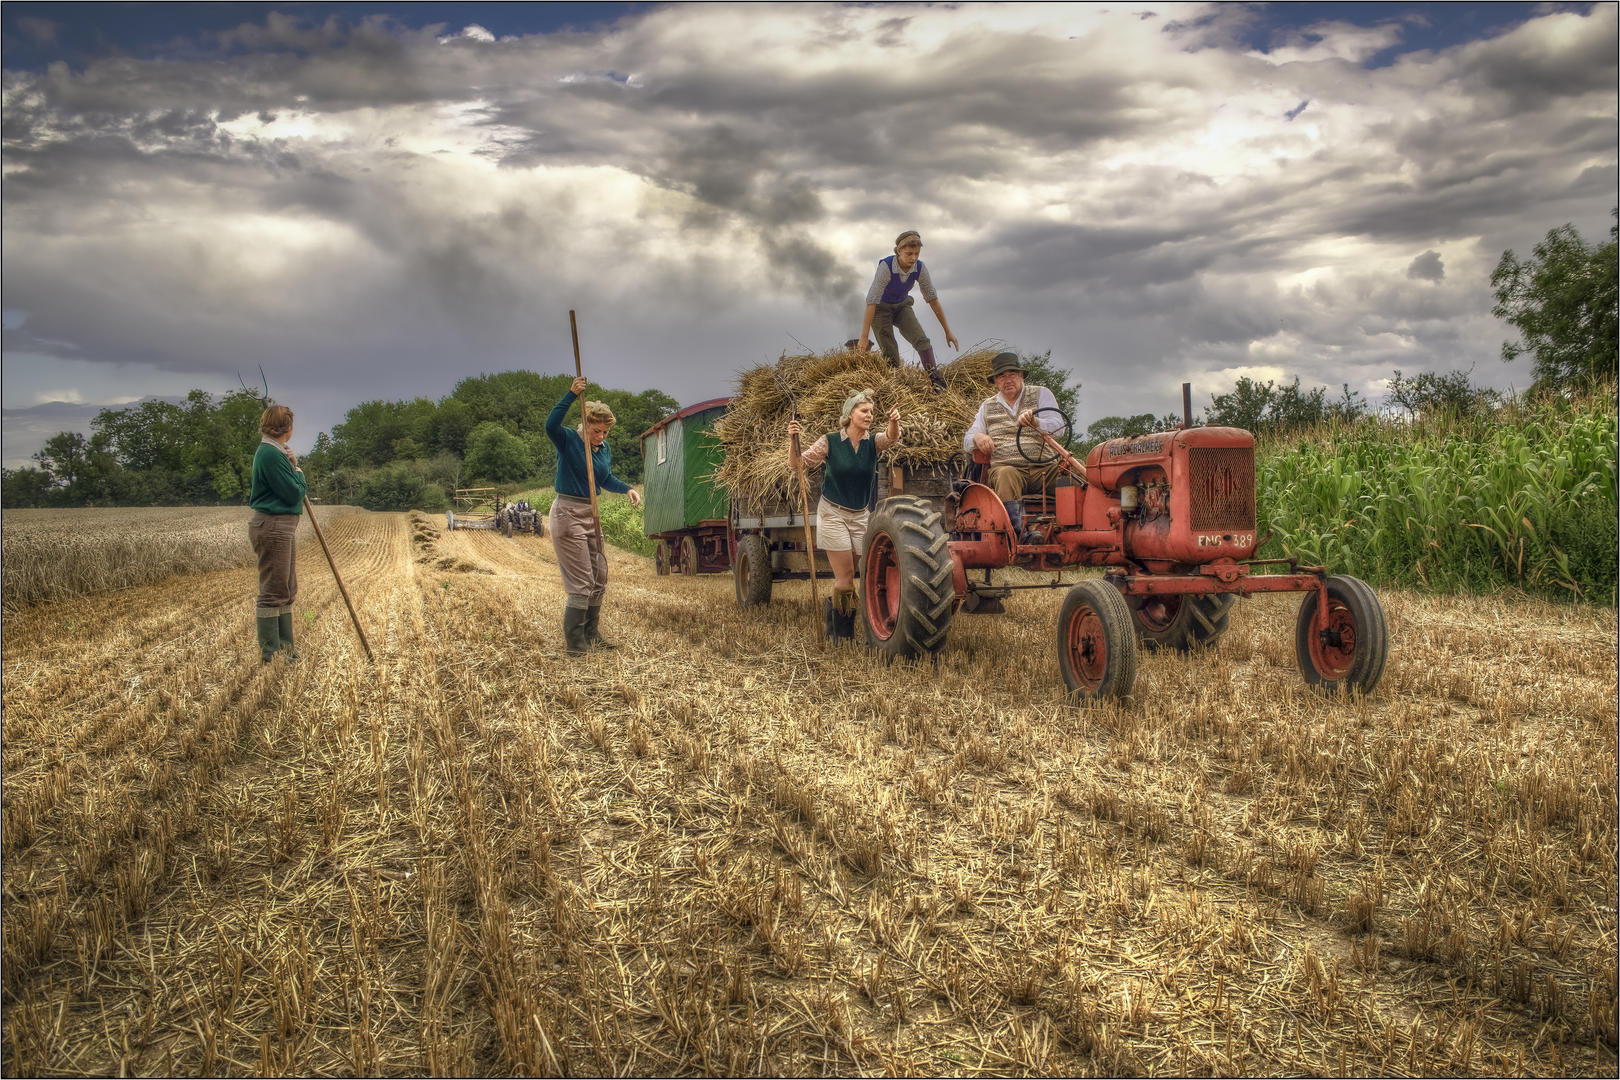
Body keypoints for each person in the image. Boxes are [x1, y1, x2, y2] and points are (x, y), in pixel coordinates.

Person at [788, 389, 902, 640]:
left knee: (868, 570)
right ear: (850, 414)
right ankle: (842, 636)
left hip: (861, 515)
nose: (869, 415)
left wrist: (894, 421)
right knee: (846, 577)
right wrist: (792, 439)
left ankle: (841, 619)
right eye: (864, 411)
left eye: (871, 412)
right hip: (833, 514)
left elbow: (892, 438)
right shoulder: (829, 441)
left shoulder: (873, 443)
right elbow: (797, 464)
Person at [546, 375, 642, 656]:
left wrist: (627, 489)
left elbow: (605, 477)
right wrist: (571, 394)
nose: (600, 436)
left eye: (604, 432)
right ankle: (576, 646)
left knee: (599, 575)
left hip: (591, 513)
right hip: (567, 513)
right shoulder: (568, 440)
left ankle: (591, 634)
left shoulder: (604, 449)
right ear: (585, 424)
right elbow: (550, 425)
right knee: (582, 581)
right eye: (595, 430)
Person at [962, 352, 1068, 540]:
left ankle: (1078, 534)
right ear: (995, 381)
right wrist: (978, 438)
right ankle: (1021, 535)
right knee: (1005, 474)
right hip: (1009, 471)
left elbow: (1059, 428)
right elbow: (967, 438)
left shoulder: (1041, 394)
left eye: (1012, 374)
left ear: (1021, 375)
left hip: (1045, 469)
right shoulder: (987, 406)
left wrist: (1036, 422)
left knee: (1078, 479)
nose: (1007, 380)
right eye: (1001, 376)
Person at [857, 230, 959, 390]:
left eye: (916, 254)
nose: (913, 258)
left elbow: (932, 299)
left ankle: (936, 382)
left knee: (922, 340)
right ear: (898, 251)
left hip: (902, 306)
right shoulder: (886, 267)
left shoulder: (919, 268)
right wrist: (864, 337)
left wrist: (947, 331)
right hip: (880, 309)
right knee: (890, 350)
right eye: (909, 253)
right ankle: (893, 386)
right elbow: (871, 302)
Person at [248, 404, 306, 664]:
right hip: (273, 527)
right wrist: (299, 470)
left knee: (286, 588)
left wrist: (291, 463)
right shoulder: (270, 454)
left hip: (281, 526)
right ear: (288, 428)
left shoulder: (275, 452)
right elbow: (295, 493)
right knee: (273, 591)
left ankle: (285, 648)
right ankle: (272, 654)